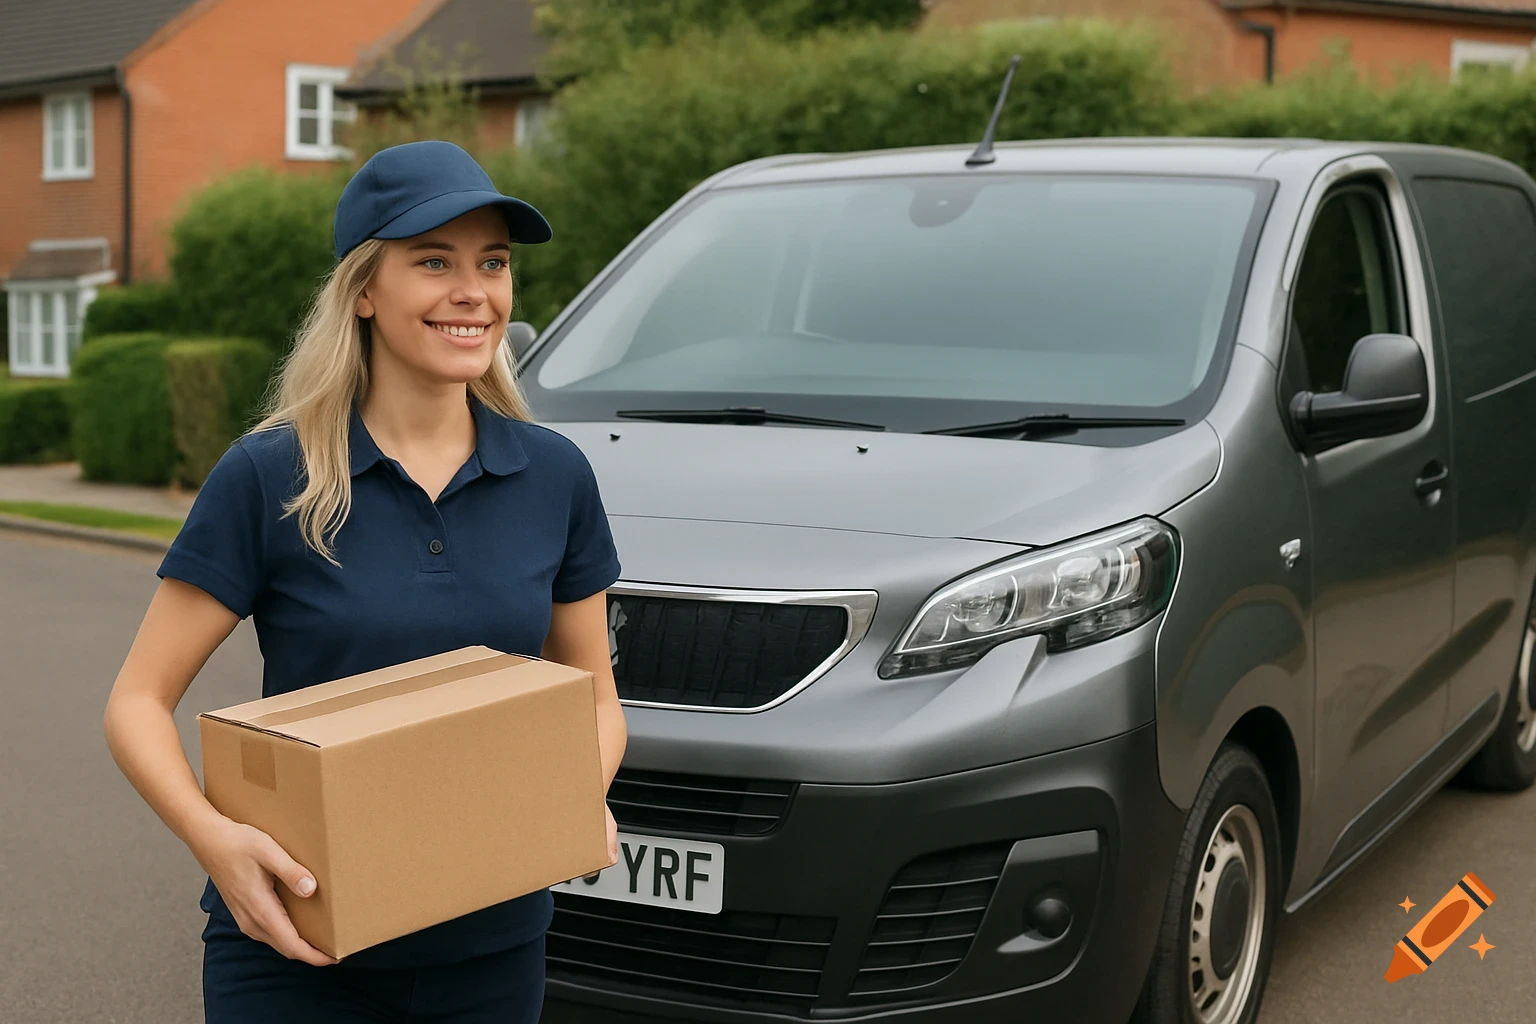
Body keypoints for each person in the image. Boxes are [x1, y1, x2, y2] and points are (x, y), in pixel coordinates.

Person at [102, 140, 626, 1023]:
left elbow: (596, 700)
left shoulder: (556, 476)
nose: (475, 292)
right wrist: (217, 843)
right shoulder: (272, 475)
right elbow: (135, 702)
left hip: (490, 949)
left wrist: (569, 798)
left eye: (492, 264)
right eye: (434, 261)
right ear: (365, 293)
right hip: (296, 946)